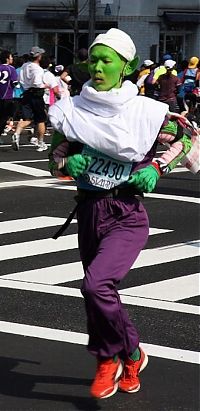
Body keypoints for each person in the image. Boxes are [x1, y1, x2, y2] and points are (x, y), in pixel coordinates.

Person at [48, 28, 193, 400]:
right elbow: (56, 157)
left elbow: (188, 136)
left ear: (125, 65)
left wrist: (158, 168)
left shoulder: (146, 112)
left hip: (127, 212)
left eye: (106, 60)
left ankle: (112, 356)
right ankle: (127, 353)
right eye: (93, 59)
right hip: (89, 211)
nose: (97, 66)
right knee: (97, 294)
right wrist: (67, 161)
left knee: (95, 285)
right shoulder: (73, 110)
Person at [12, 46, 48, 152]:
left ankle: (17, 134)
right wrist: (45, 85)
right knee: (41, 119)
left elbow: (19, 79)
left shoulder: (24, 66)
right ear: (39, 56)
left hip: (26, 93)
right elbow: (37, 83)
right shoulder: (38, 69)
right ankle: (41, 142)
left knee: (27, 119)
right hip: (36, 94)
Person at [0, 50, 18, 143]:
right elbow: (15, 83)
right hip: (7, 96)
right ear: (7, 59)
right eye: (11, 57)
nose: (12, 59)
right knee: (4, 117)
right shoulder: (11, 69)